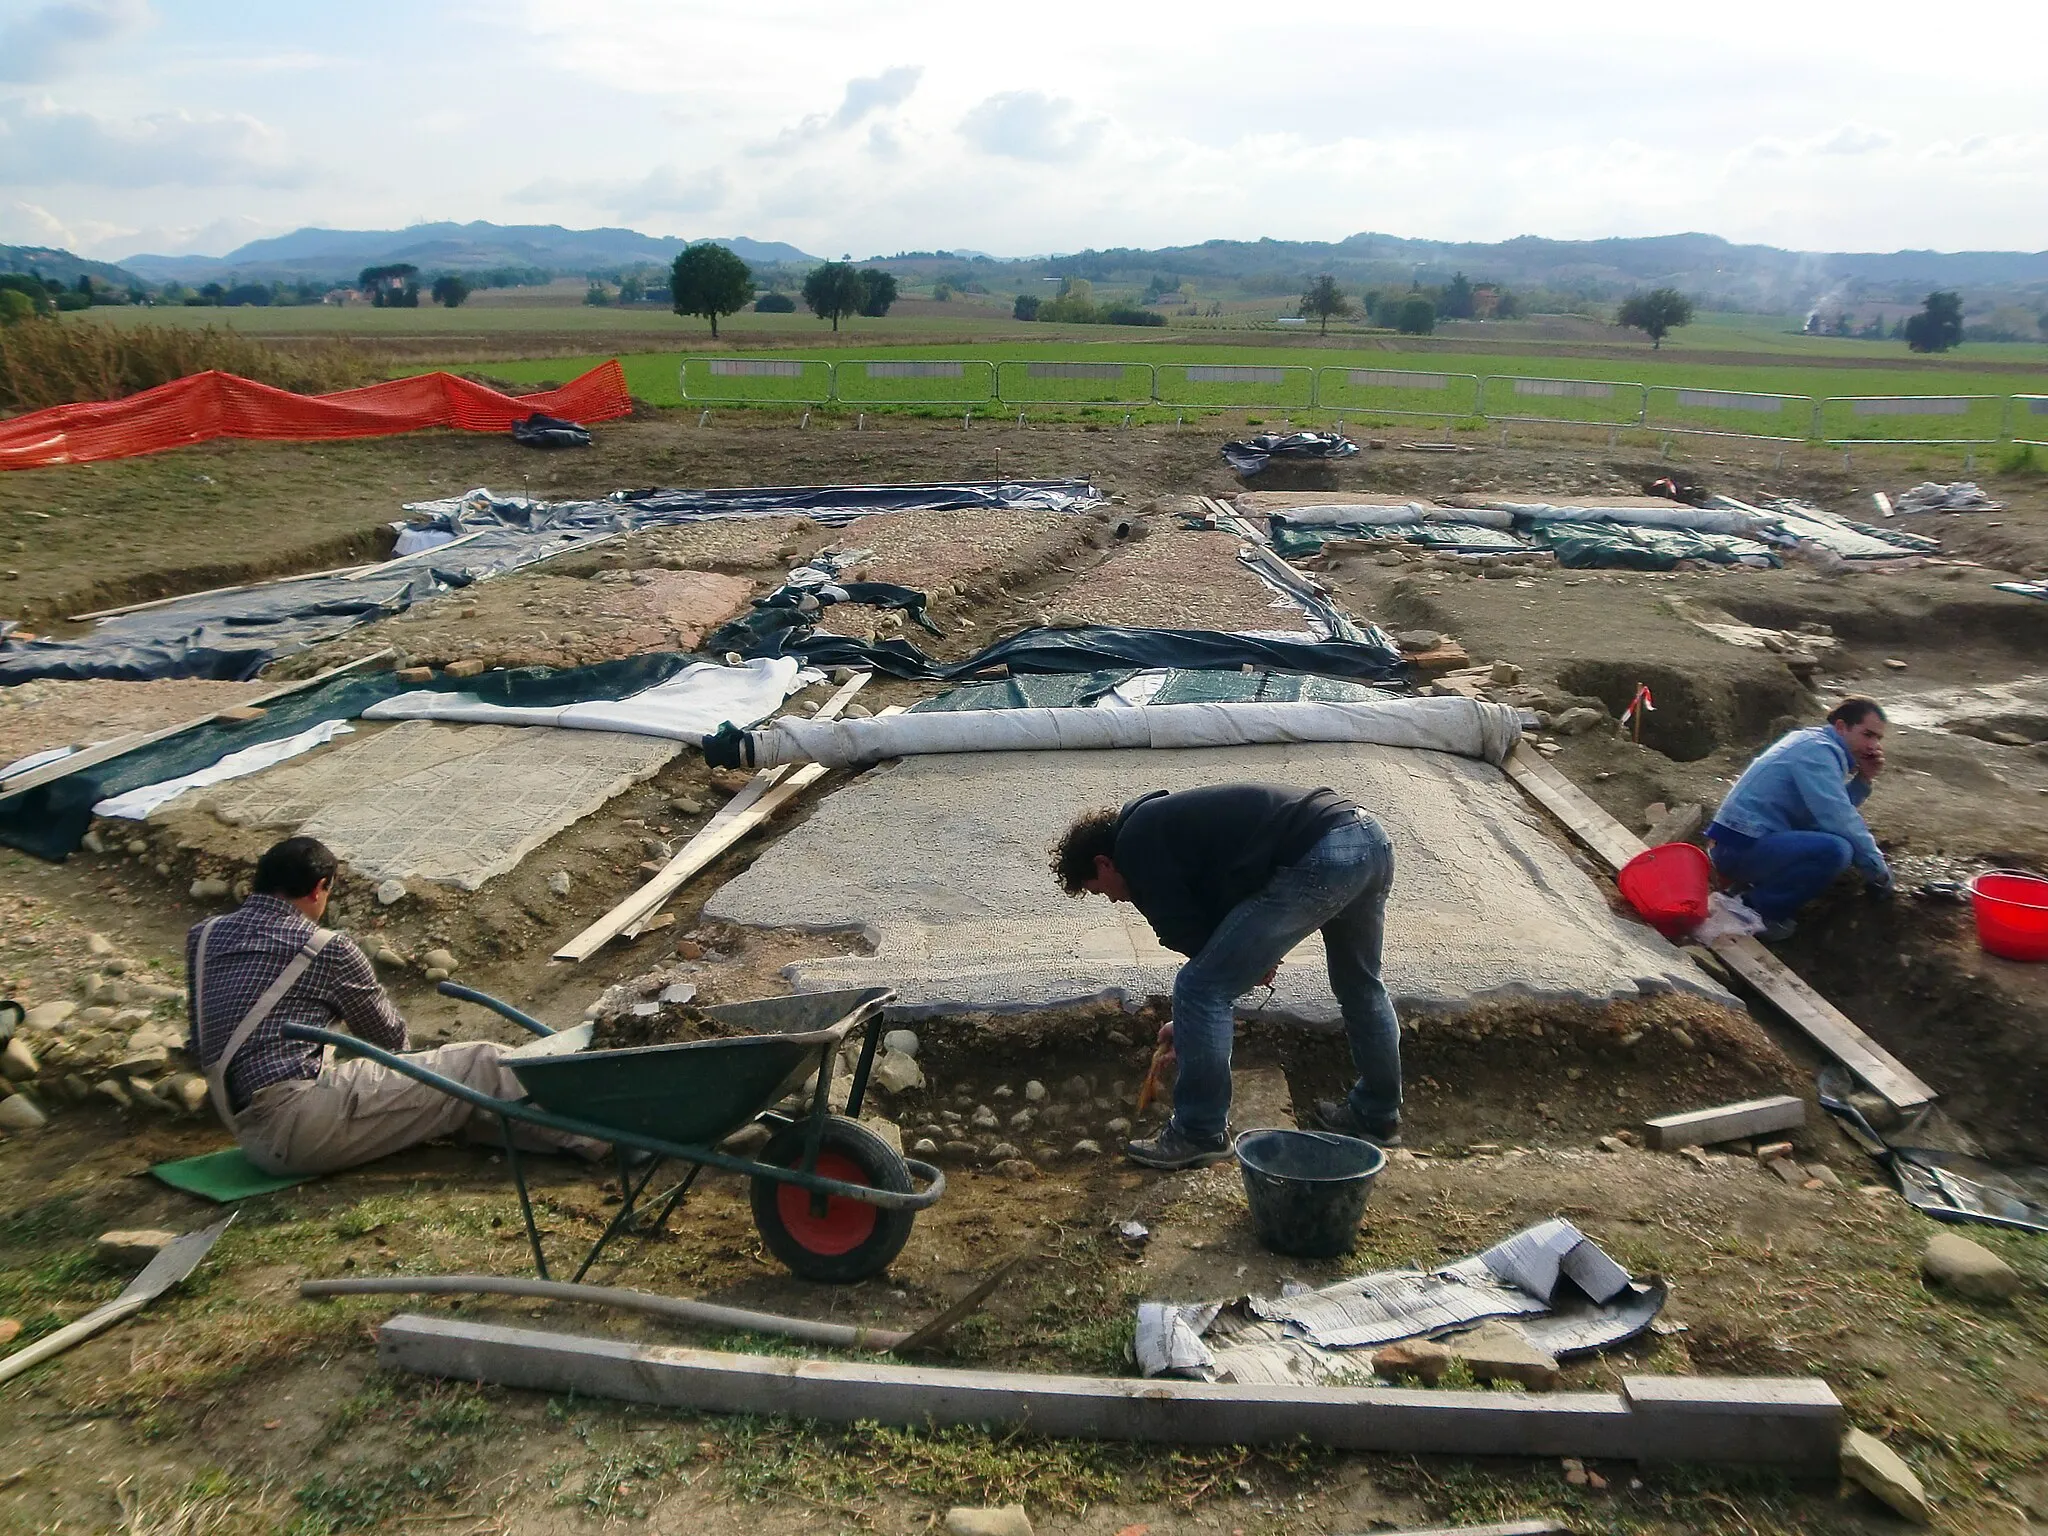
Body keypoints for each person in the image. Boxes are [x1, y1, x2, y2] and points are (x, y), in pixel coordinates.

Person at [186, 836, 603, 1176]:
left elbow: (207, 1037)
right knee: (481, 1063)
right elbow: (390, 1043)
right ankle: (606, 1135)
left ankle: (555, 1137)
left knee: (462, 1101)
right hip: (296, 1130)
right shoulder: (324, 948)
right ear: (319, 889)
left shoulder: (203, 936)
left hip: (245, 1125)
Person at [1051, 783, 1401, 1169]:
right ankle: (1376, 1114)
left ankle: (1198, 1132)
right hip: (1367, 838)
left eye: (1100, 891)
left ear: (1103, 864)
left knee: (1199, 988)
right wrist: (1198, 1016)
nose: (1115, 900)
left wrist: (1202, 1007)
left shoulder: (1135, 846)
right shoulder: (1166, 829)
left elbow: (1184, 933)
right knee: (1361, 986)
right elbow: (1228, 922)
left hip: (1324, 853)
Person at [1706, 697, 1893, 942]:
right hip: (1738, 848)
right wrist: (1878, 872)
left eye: (1878, 738)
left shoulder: (1817, 744)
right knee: (1836, 850)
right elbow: (1838, 817)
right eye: (1867, 735)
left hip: (1745, 842)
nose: (1873, 746)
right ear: (1841, 727)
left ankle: (1745, 893)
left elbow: (1823, 813)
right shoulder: (1818, 753)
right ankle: (1754, 910)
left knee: (1832, 841)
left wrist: (1864, 780)